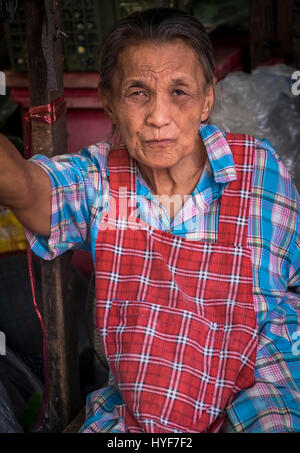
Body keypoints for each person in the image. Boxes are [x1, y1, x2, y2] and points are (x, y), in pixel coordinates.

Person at [0, 7, 299, 433]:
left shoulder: (258, 169)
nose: (159, 117)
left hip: (259, 382)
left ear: (206, 99)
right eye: (138, 92)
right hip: (149, 400)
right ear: (109, 100)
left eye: (180, 92)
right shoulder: (99, 179)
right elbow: (28, 189)